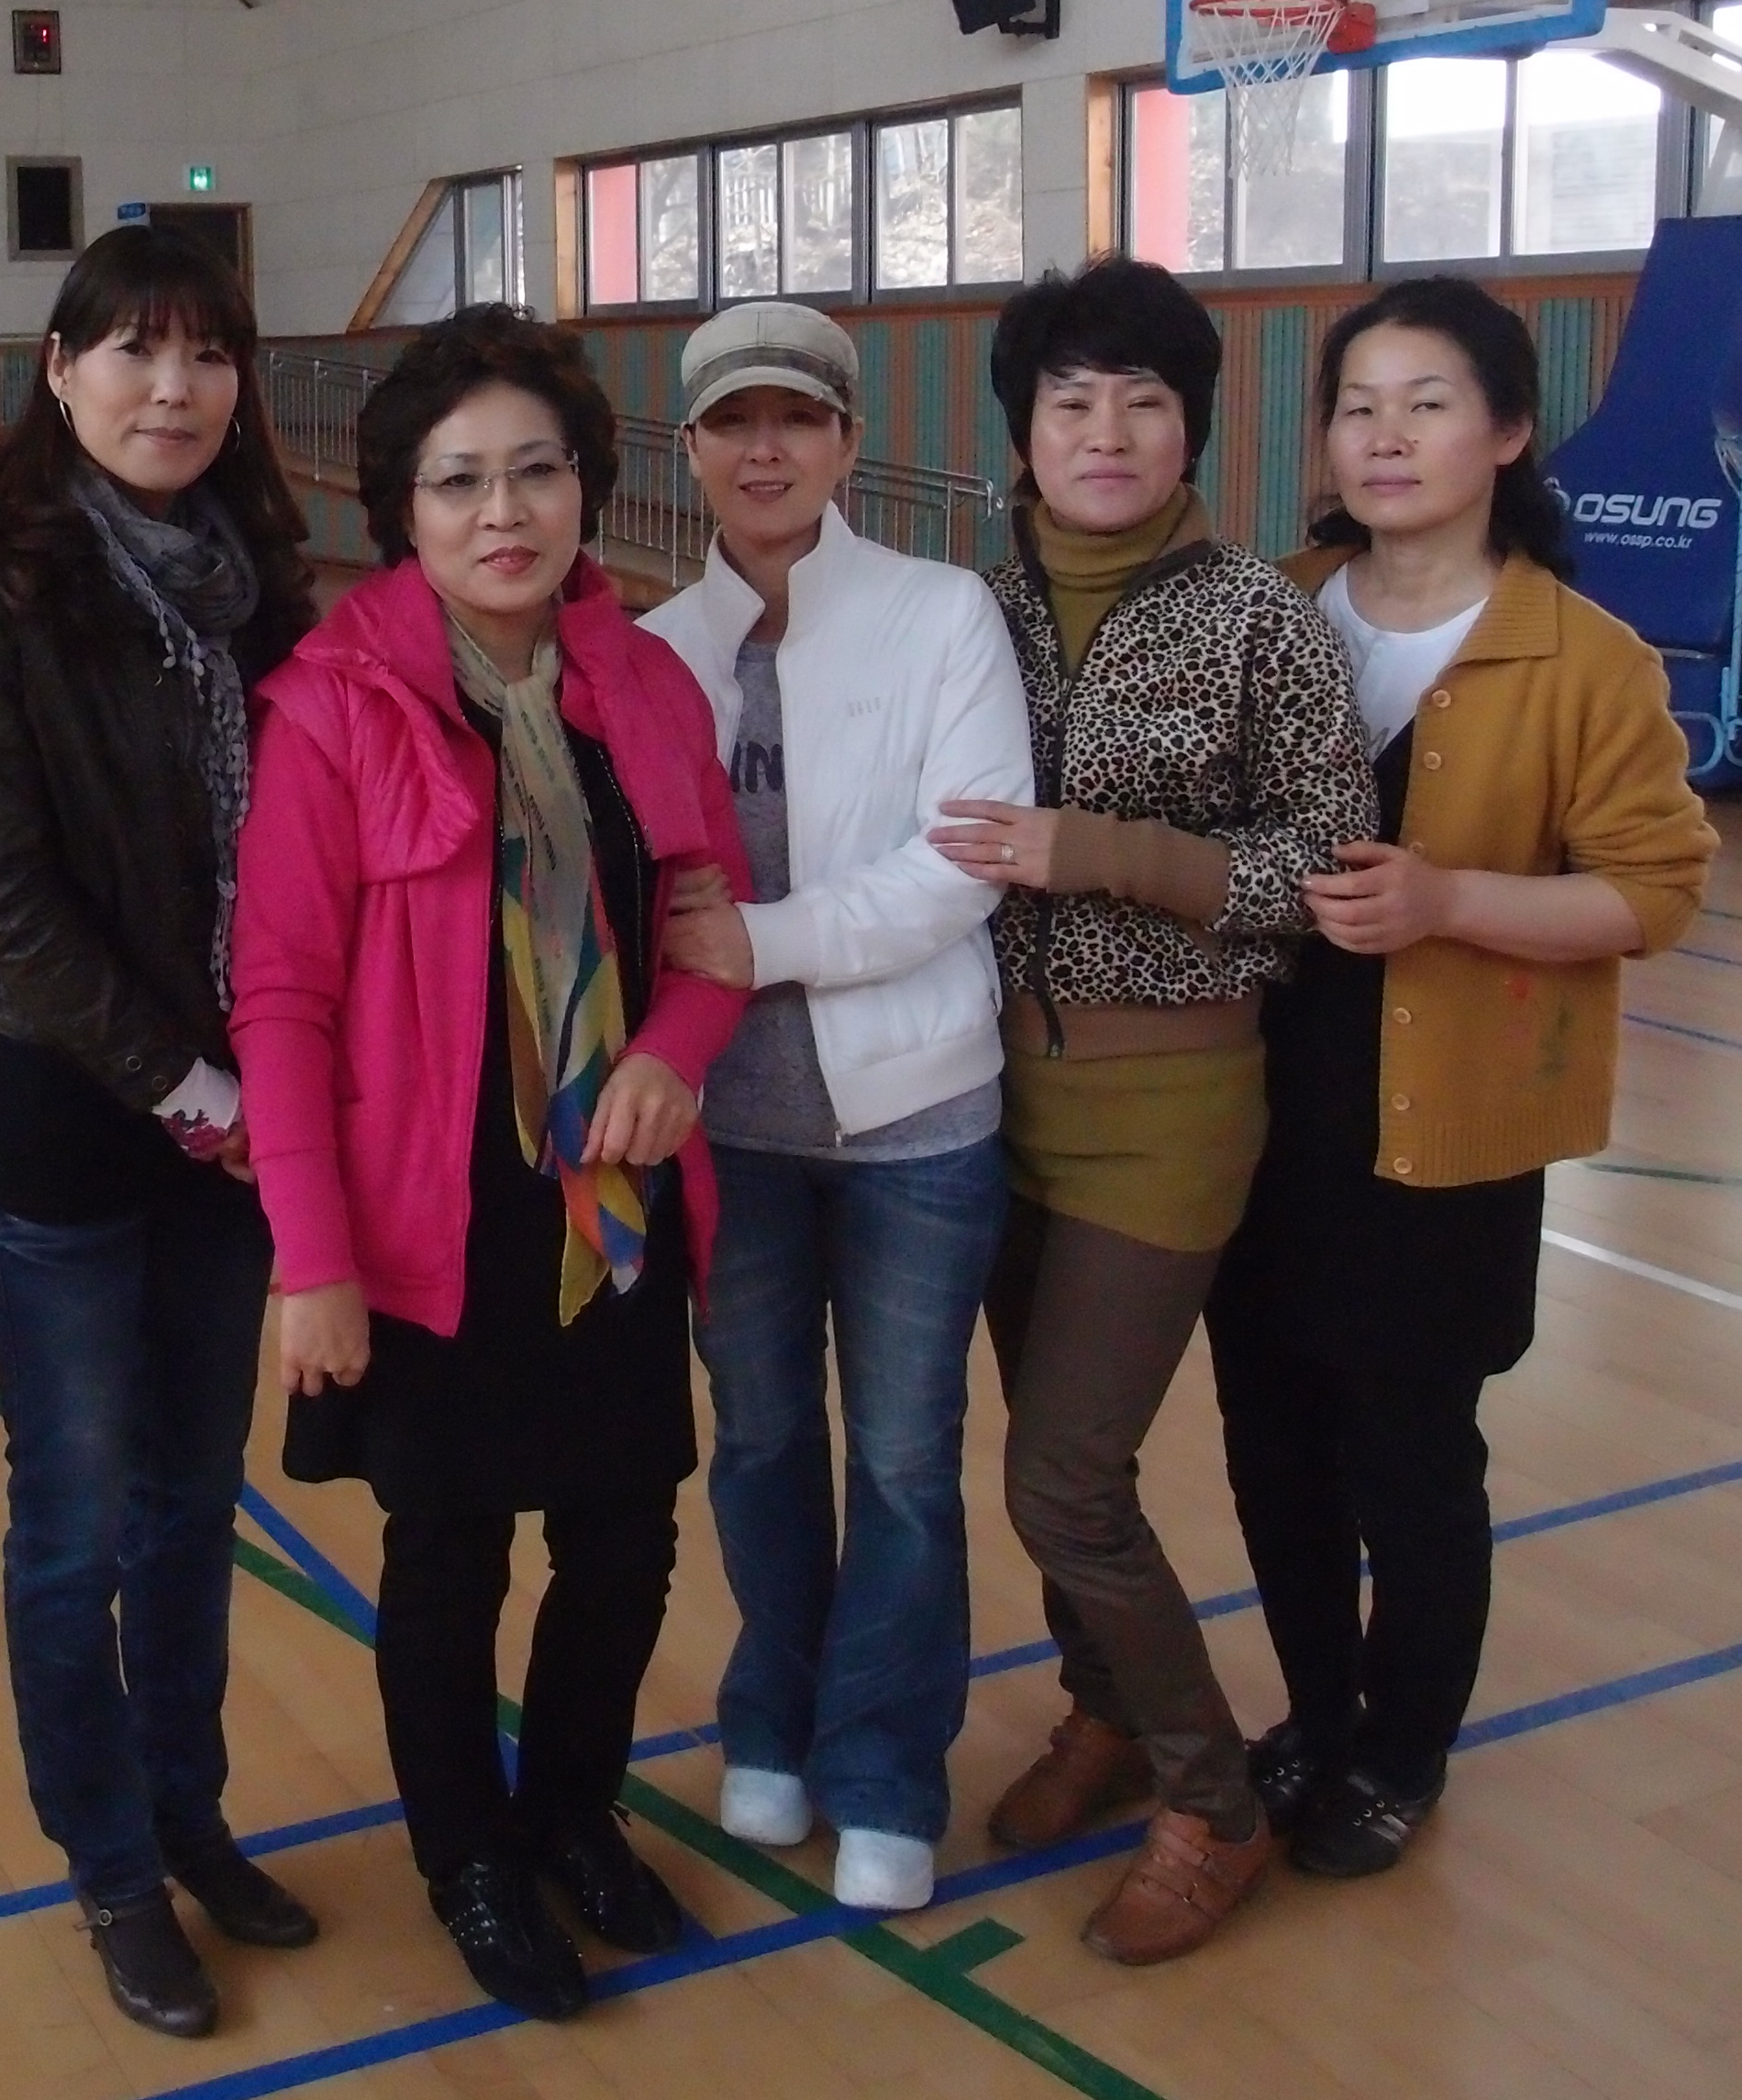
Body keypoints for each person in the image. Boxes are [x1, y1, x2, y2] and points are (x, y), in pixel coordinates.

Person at [233, 306, 750, 2025]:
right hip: (428, 1220)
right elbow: (282, 999)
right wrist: (313, 1260)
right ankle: (466, 1855)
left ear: (587, 486)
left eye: (536, 471)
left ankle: (574, 1815)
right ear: (402, 507)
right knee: (449, 1556)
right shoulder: (334, 705)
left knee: (623, 1536)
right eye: (458, 481)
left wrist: (673, 1054)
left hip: (607, 1209)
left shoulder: (644, 684)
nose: (503, 511)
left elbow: (710, 934)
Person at [1211, 276, 1715, 1877]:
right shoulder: (1270, 609)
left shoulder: (1582, 658)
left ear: (1504, 432)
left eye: (1426, 403)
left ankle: (1401, 1747)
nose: (1384, 436)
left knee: (1410, 1456)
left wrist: (1448, 901)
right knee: (1271, 1443)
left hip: (1444, 1131)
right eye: (1357, 406)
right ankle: (1313, 1712)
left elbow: (1652, 892)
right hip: (1256, 1112)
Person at [929, 257, 1376, 1967]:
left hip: (1170, 1096)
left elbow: (1323, 870)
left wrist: (1101, 850)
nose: (1105, 432)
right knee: (1046, 1449)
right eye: (1071, 401)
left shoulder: (1263, 618)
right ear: (1023, 429)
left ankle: (1214, 1796)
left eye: (1143, 400)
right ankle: (1104, 1708)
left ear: (1192, 426)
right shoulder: (969, 611)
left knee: (1062, 1477)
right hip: (984, 1089)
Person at [0, 227, 323, 2041]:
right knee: (73, 1525)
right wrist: (184, 1083)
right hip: (80, 1129)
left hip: (242, 1141)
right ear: (60, 367)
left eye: (207, 354)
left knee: (188, 1507)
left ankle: (188, 1814)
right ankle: (107, 1866)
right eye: (134, 352)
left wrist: (278, 1084)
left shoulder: (268, 587)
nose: (173, 388)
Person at [638, 302, 1031, 1915]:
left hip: (916, 1128)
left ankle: (884, 1769)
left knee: (904, 1462)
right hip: (726, 1131)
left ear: (848, 441)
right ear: (688, 450)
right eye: (733, 423)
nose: (765, 451)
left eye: (796, 419)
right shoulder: (654, 648)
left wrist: (768, 943)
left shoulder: (943, 614)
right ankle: (771, 1720)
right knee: (758, 1440)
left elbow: (965, 859)